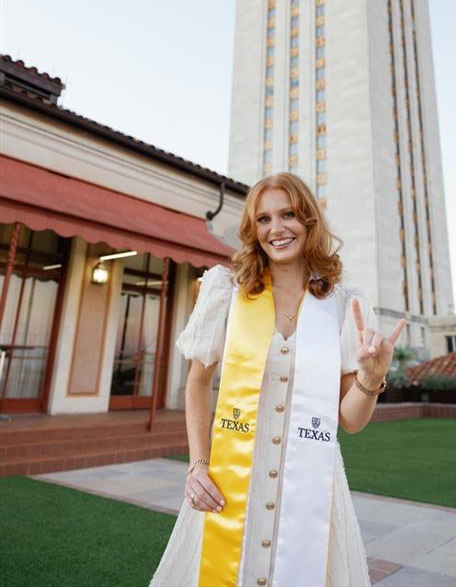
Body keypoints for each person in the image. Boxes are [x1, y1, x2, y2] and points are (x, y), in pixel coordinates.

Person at [149, 172, 405, 587]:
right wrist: (197, 464)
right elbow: (197, 382)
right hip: (231, 480)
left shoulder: (342, 307)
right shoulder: (227, 292)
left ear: (309, 221)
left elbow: (352, 421)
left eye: (288, 215)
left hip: (312, 487)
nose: (276, 229)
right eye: (264, 219)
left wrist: (370, 378)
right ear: (253, 229)